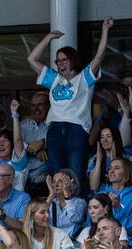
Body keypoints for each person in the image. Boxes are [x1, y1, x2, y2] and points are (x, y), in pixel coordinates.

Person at [26, 18, 114, 187]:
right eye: (58, 61)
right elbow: (31, 59)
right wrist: (49, 37)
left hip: (76, 129)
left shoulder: (84, 78)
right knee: (57, 175)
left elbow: (99, 57)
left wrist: (105, 30)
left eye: (64, 59)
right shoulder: (54, 79)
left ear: (73, 60)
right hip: (54, 129)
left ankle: (77, 203)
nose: (60, 64)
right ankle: (58, 203)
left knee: (75, 174)